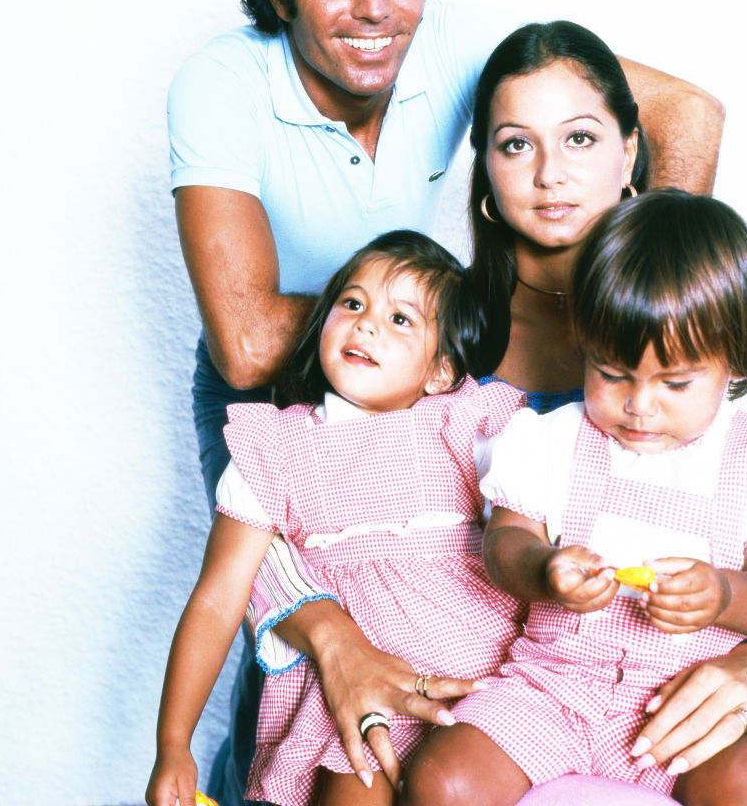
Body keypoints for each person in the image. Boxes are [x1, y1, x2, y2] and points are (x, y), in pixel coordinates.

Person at [168, 0, 726, 805]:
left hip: (448, 389)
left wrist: (639, 282)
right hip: (290, 393)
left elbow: (688, 113)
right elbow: (252, 342)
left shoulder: (465, 45)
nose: (375, 8)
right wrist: (414, 315)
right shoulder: (222, 83)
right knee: (292, 684)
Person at [402, 189, 747, 806]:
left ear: (737, 364)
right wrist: (544, 569)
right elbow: (504, 542)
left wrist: (726, 593)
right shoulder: (551, 438)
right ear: (584, 344)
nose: (639, 406)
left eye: (674, 383)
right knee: (443, 779)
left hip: (692, 696)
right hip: (554, 687)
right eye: (613, 373)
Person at [145, 230, 529, 806]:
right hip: (354, 703)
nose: (366, 324)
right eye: (352, 303)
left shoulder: (467, 423)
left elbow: (535, 524)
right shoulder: (274, 447)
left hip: (482, 686)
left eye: (401, 319)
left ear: (441, 372)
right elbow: (217, 599)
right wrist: (173, 745)